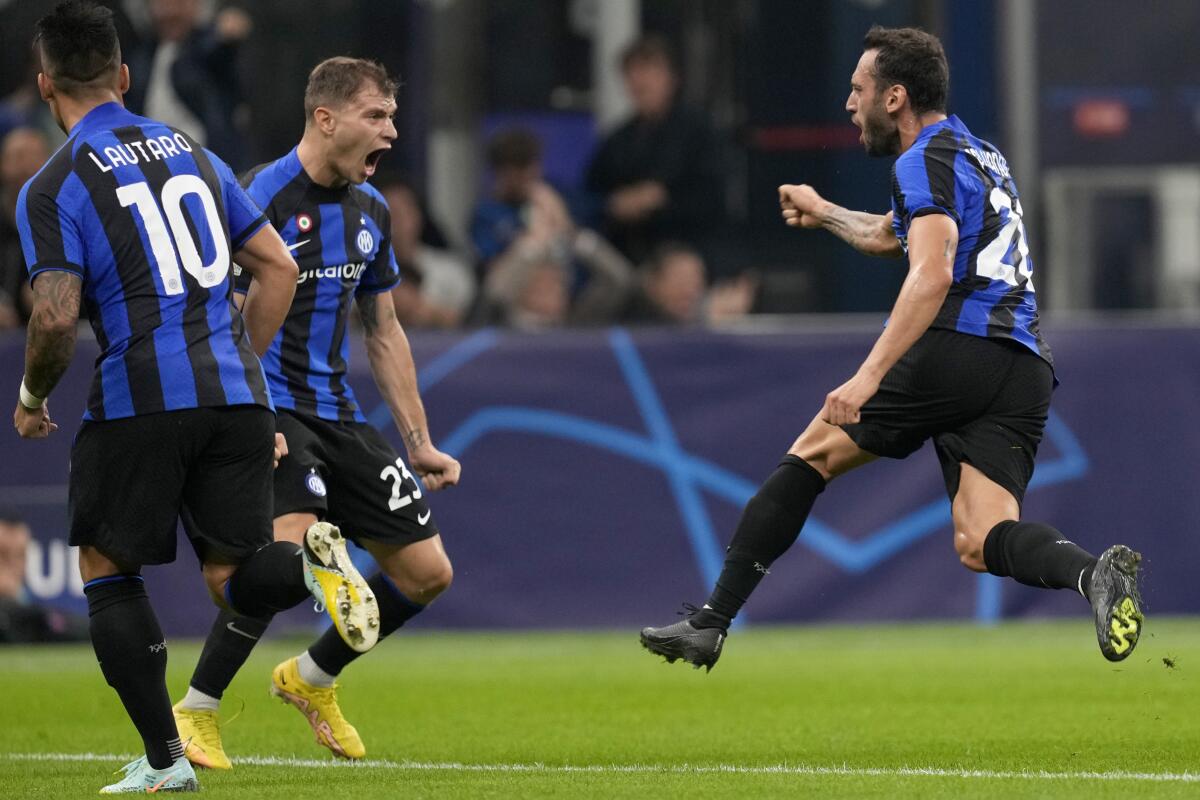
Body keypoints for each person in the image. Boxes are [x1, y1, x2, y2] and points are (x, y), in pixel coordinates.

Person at [639, 26, 1143, 671]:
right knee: (981, 537)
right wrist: (823, 210)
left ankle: (710, 622)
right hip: (1020, 365)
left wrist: (867, 376)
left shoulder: (919, 159)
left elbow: (931, 272)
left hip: (957, 346)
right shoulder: (978, 153)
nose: (850, 104)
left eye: (859, 90)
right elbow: (893, 235)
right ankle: (1094, 574)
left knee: (810, 456)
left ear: (895, 97)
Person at [12, 3, 378, 792]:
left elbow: (53, 316)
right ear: (124, 75)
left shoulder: (55, 182)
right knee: (234, 577)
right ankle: (313, 568)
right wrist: (239, 365)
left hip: (140, 392)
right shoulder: (198, 156)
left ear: (45, 85)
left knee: (108, 571)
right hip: (240, 394)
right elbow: (277, 268)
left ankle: (162, 762)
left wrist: (33, 392)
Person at [172, 56, 462, 768]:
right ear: (325, 119)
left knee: (428, 573)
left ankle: (311, 678)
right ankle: (196, 710)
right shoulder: (259, 197)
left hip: (337, 411)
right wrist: (245, 418)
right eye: (376, 116)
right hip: (269, 405)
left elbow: (384, 329)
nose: (390, 132)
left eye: (392, 117)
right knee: (292, 547)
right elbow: (220, 318)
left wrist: (417, 440)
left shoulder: (373, 210)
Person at [584, 35, 724, 264]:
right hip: (631, 254)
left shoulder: (699, 131)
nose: (641, 81)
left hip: (691, 250)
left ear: (672, 77)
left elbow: (713, 196)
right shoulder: (617, 140)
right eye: (633, 72)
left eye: (650, 70)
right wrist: (616, 204)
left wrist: (660, 200)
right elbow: (592, 193)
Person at [124, 0, 253, 169]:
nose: (171, 13)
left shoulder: (208, 48)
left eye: (179, 3)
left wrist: (228, 39)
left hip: (206, 167)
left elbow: (220, 55)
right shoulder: (140, 57)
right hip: (152, 168)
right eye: (162, 4)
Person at [0, 127, 50, 327]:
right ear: (3, 164)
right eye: (18, 157)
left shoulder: (62, 221)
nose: (26, 166)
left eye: (34, 157)